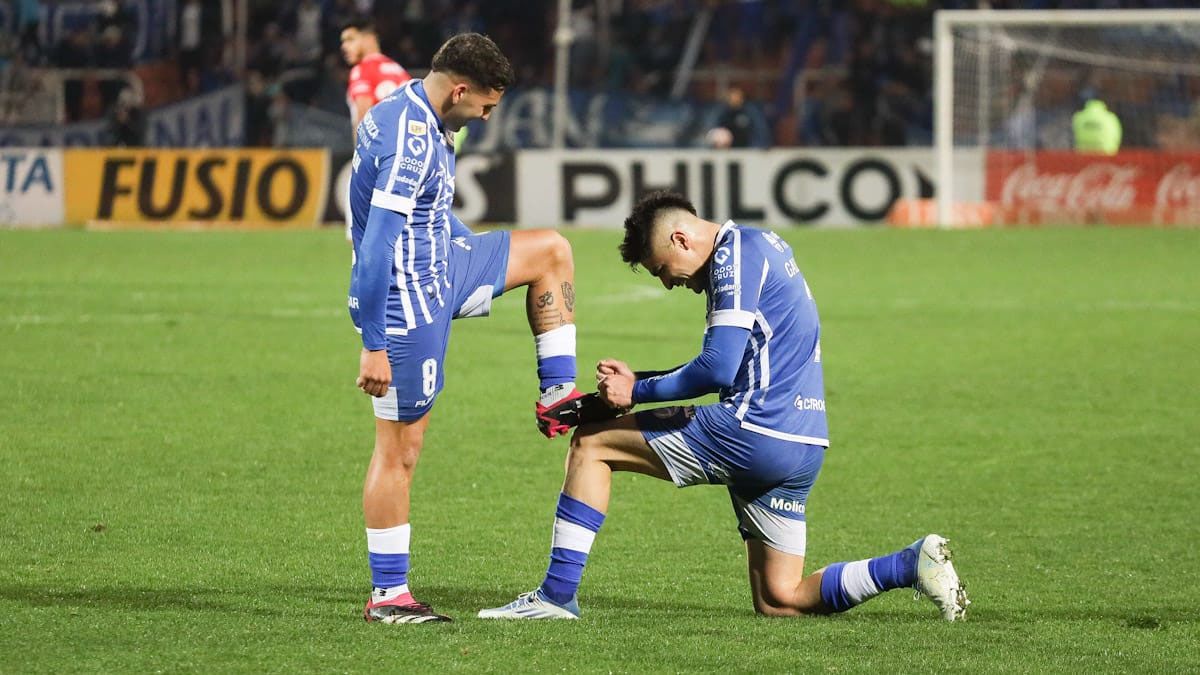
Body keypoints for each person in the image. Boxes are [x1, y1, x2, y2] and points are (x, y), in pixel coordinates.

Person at [479, 191, 970, 621]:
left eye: (661, 271)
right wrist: (635, 385)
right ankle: (909, 564)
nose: (669, 283)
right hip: (802, 445)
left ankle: (555, 597)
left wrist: (635, 394)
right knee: (780, 598)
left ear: (680, 240)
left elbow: (715, 369)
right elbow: (734, 369)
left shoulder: (735, 255)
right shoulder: (764, 245)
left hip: (753, 430)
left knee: (591, 446)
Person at [348, 32, 606, 625]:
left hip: (448, 262)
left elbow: (429, 211)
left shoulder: (423, 110)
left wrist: (469, 246)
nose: (487, 117)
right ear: (460, 89)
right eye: (486, 106)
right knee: (401, 451)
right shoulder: (411, 141)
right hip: (409, 304)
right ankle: (389, 596)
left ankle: (556, 395)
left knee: (550, 251)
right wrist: (373, 342)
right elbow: (376, 247)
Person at [340, 18, 411, 240]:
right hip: (407, 157)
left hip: (378, 159)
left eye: (351, 39)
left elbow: (363, 116)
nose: (344, 46)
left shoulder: (362, 71)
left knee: (363, 239)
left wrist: (363, 162)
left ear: (370, 38)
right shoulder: (400, 71)